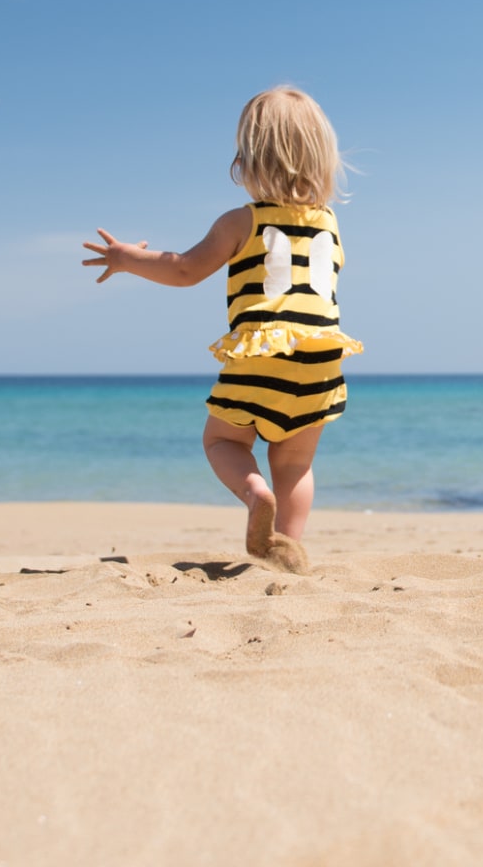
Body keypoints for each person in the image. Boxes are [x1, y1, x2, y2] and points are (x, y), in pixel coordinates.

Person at [81, 87, 361, 574]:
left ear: (246, 162)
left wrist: (128, 259)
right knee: (295, 462)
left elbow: (185, 269)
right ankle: (285, 552)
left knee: (224, 443)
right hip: (322, 357)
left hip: (262, 352)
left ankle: (254, 494)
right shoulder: (330, 225)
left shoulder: (241, 221)